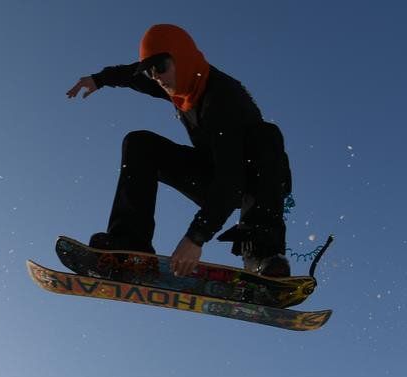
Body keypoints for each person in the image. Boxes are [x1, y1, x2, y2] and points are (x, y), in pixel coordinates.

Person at [66, 23, 293, 278]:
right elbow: (133, 75)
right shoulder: (175, 82)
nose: (157, 78)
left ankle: (263, 256)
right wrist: (100, 79)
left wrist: (195, 238)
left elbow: (231, 180)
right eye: (151, 72)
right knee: (140, 144)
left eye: (160, 67)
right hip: (212, 176)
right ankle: (130, 246)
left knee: (267, 136)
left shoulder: (222, 99)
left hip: (250, 181)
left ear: (182, 57)